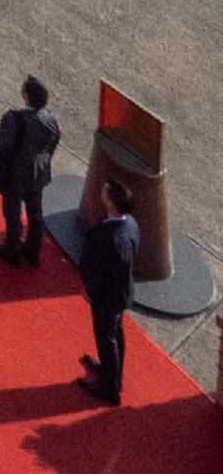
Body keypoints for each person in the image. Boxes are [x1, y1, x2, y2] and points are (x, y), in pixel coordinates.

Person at [0, 77, 61, 267]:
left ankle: (11, 249)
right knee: (35, 212)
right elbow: (52, 144)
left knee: (13, 211)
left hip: (16, 173)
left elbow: (3, 145)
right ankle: (33, 251)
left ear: (26, 96)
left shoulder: (14, 117)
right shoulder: (51, 121)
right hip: (38, 173)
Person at [78, 169, 141, 403]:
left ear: (113, 203)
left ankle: (109, 387)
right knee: (115, 334)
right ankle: (111, 372)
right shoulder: (130, 224)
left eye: (105, 193)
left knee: (106, 336)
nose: (101, 193)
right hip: (118, 294)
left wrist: (90, 292)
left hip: (107, 297)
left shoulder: (113, 239)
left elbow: (104, 273)